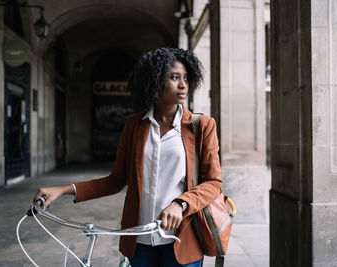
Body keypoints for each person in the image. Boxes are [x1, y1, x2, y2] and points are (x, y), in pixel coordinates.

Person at [33, 48, 222, 266]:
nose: (183, 85)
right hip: (139, 241)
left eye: (186, 79)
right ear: (155, 80)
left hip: (182, 239)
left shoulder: (202, 126)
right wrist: (64, 190)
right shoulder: (135, 125)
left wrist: (181, 204)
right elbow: (115, 181)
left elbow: (213, 182)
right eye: (174, 77)